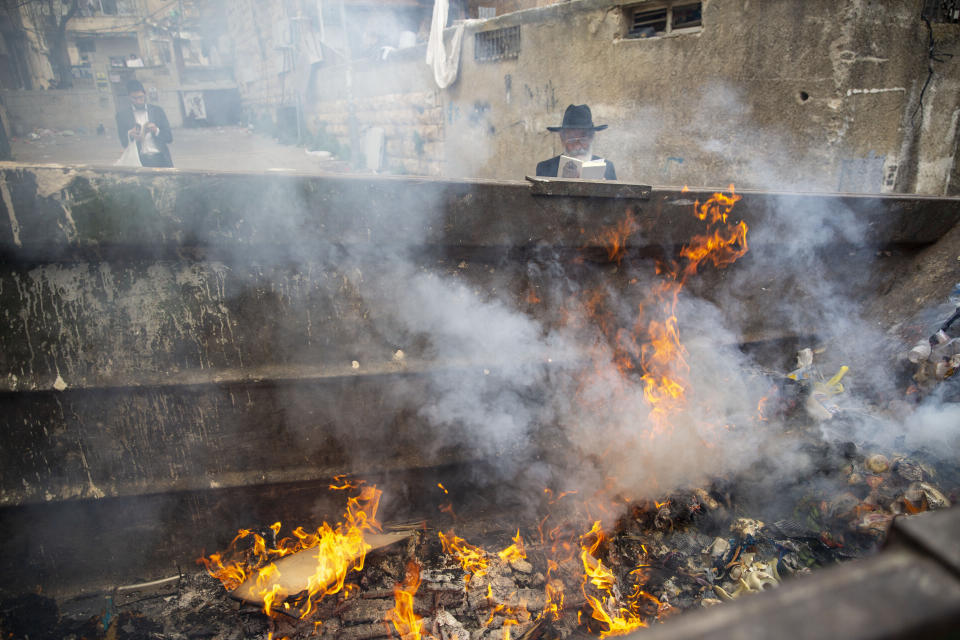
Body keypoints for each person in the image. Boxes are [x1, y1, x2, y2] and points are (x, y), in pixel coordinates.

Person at [536, 104, 616, 180]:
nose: (578, 147)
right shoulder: (545, 168)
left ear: (591, 138)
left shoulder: (607, 167)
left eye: (583, 139)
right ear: (562, 139)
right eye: (571, 139)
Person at [116, 79, 173, 168]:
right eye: (134, 98)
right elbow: (123, 142)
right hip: (139, 160)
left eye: (141, 97)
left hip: (160, 158)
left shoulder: (157, 111)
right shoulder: (122, 115)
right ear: (129, 97)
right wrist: (130, 134)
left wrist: (156, 130)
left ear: (145, 94)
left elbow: (169, 137)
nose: (139, 101)